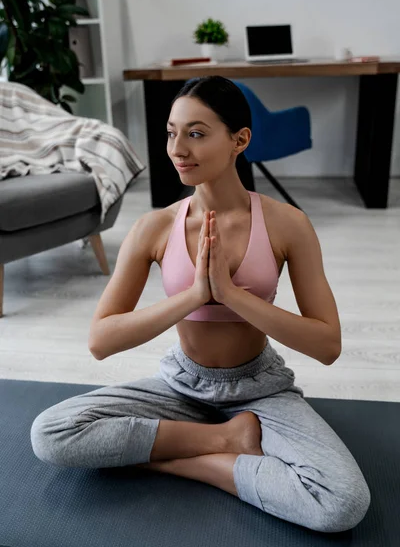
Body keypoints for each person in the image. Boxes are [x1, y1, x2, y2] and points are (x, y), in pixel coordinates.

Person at [30, 76, 371, 533]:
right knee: (52, 433)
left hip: (260, 388)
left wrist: (231, 296)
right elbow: (100, 340)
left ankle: (177, 460)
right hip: (181, 385)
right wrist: (193, 297)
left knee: (341, 504)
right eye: (171, 132)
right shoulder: (153, 227)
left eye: (196, 133)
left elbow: (327, 344)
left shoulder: (288, 224)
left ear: (239, 140)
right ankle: (226, 439)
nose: (177, 149)